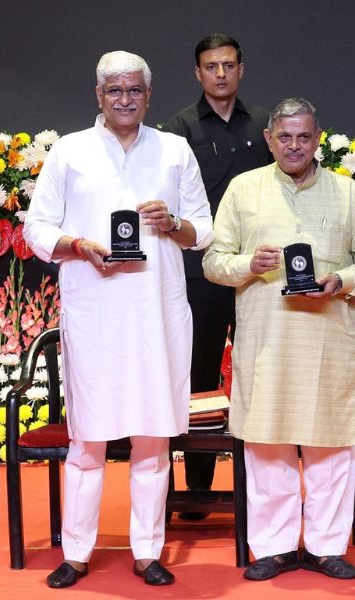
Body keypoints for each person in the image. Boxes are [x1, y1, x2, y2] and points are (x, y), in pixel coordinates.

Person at [23, 50, 213, 589]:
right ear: (98, 96)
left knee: (153, 438)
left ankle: (148, 551)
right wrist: (80, 245)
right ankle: (77, 551)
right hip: (95, 314)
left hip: (158, 315)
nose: (125, 100)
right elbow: (37, 230)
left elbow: (206, 230)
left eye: (134, 91)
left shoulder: (174, 151)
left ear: (149, 96)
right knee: (87, 441)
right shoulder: (69, 151)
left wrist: (172, 223)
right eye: (114, 91)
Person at [202, 97, 355, 581]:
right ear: (269, 140)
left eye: (304, 137)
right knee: (267, 444)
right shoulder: (244, 190)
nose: (294, 146)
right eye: (284, 137)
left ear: (318, 138)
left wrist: (342, 281)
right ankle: (275, 547)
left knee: (330, 447)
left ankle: (327, 547)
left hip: (328, 340)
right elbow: (213, 263)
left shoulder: (347, 192)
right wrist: (248, 264)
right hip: (267, 342)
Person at [162, 33, 273, 520]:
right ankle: (199, 490)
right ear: (198, 73)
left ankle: (266, 485)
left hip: (258, 271)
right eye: (211, 66)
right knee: (201, 375)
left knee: (259, 373)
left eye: (229, 64)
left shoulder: (267, 125)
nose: (221, 73)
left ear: (241, 69)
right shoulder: (179, 128)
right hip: (200, 271)